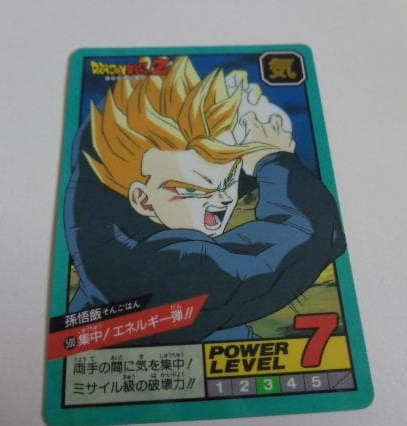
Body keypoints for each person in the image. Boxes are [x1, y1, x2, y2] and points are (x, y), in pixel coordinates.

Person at [64, 56, 346, 344]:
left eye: (230, 180)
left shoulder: (114, 250)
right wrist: (274, 161)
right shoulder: (171, 270)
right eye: (196, 189)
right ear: (143, 200)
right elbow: (307, 238)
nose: (223, 199)